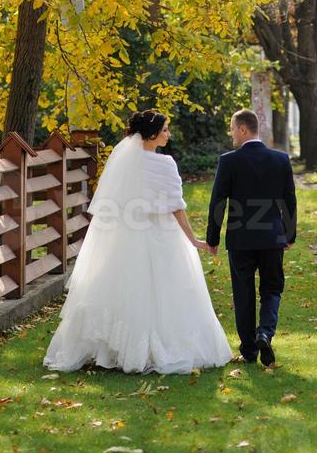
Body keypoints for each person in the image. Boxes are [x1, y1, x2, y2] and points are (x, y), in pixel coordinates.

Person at [44, 110, 232, 374]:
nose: (169, 134)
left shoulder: (124, 163)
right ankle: (154, 349)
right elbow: (176, 207)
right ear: (152, 134)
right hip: (162, 235)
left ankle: (114, 349)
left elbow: (114, 207)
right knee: (165, 291)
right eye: (165, 129)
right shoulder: (165, 164)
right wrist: (193, 240)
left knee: (126, 289)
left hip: (129, 236)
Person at [206, 109, 297, 366]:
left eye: (233, 128)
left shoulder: (229, 161)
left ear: (243, 129)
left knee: (243, 292)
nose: (231, 133)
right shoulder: (281, 160)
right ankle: (265, 332)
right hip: (271, 238)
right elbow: (289, 200)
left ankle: (249, 350)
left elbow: (218, 202)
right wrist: (290, 234)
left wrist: (212, 238)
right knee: (272, 287)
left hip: (241, 240)